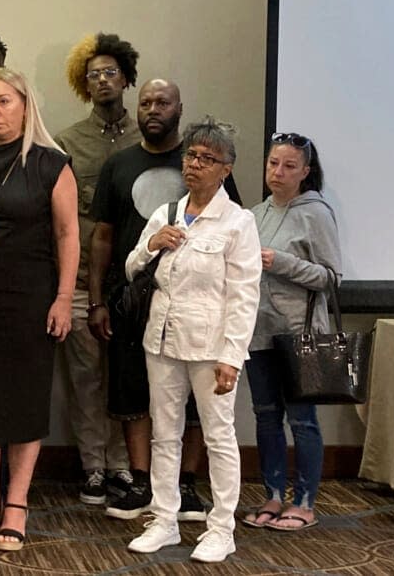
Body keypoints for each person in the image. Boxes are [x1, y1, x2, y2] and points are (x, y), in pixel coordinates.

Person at [89, 80, 238, 522]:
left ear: (179, 108)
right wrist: (97, 299)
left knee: (194, 402)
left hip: (199, 307)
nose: (153, 109)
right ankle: (142, 481)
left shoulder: (209, 166)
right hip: (134, 302)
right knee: (135, 390)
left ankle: (187, 486)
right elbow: (102, 237)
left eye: (163, 102)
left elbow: (235, 243)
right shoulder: (118, 164)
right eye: (146, 102)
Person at [0, 67, 78, 551]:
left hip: (32, 299)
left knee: (24, 402)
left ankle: (17, 504)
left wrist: (64, 297)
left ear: (25, 106)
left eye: (4, 102)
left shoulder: (51, 163)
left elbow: (68, 235)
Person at [125, 117, 260, 563]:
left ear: (226, 168)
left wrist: (233, 356)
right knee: (165, 433)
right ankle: (163, 519)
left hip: (211, 345)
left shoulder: (237, 222)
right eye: (191, 155)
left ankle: (222, 526)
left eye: (207, 159)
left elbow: (244, 295)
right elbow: (130, 267)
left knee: (219, 435)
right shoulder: (166, 212)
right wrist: (151, 246)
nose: (195, 165)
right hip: (160, 339)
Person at [55, 33, 141, 506]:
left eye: (111, 72)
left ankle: (124, 467)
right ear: (83, 85)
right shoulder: (68, 141)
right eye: (93, 75)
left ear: (127, 78)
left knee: (126, 379)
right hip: (85, 281)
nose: (103, 80)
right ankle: (92, 467)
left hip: (134, 287)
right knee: (86, 380)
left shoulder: (145, 138)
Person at [242, 133, 341, 532]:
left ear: (305, 172)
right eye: (272, 164)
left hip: (300, 333)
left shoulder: (316, 213)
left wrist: (281, 262)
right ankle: (272, 496)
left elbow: (331, 278)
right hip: (258, 330)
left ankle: (305, 501)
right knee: (266, 418)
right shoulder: (255, 214)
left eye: (288, 166)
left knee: (302, 421)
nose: (278, 173)